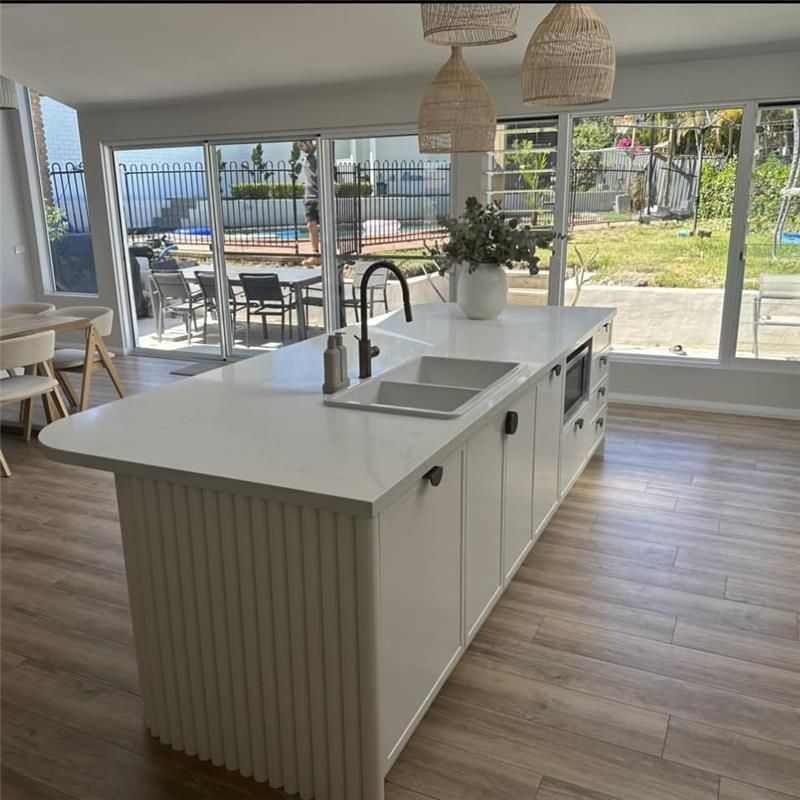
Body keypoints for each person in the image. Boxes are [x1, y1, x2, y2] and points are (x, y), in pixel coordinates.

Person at [297, 140, 320, 265]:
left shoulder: (318, 157)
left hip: (320, 196)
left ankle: (328, 254)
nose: (301, 146)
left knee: (325, 226)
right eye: (299, 145)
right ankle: (315, 255)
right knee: (311, 226)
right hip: (309, 197)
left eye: (303, 143)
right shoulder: (306, 158)